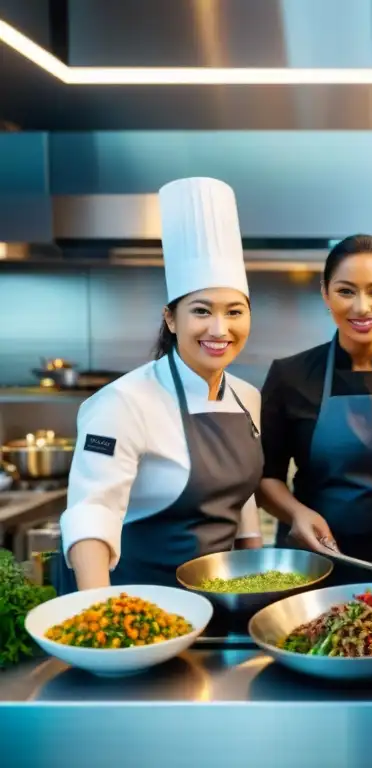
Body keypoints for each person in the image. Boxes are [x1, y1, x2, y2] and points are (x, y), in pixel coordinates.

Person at [54, 177, 263, 593]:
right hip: (135, 601)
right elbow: (92, 508)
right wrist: (98, 616)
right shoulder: (123, 402)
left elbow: (242, 499)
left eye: (234, 312)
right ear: (171, 318)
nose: (220, 329)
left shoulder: (247, 397)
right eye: (201, 311)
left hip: (219, 601)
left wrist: (256, 582)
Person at [257, 236, 372, 578]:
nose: (362, 307)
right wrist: (296, 514)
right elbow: (265, 479)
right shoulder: (289, 375)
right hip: (310, 559)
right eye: (346, 291)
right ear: (325, 293)